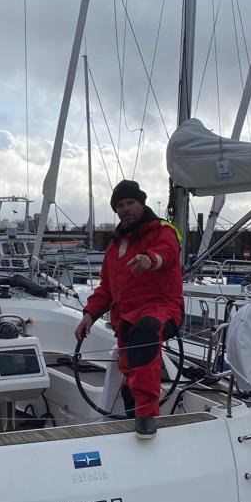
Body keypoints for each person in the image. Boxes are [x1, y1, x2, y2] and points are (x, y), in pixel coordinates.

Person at [74, 179, 183, 440]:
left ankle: (147, 417)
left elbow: (167, 252)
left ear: (141, 203)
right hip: (126, 319)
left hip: (162, 308)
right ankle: (132, 421)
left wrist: (150, 260)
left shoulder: (162, 231)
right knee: (130, 377)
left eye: (130, 203)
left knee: (144, 335)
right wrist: (88, 315)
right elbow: (106, 290)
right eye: (119, 205)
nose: (125, 209)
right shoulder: (114, 248)